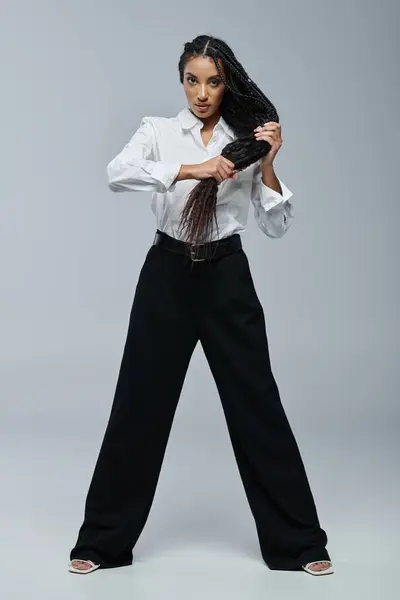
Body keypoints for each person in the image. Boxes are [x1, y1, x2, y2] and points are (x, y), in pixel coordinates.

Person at [68, 34, 334, 577]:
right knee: (138, 405)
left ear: (227, 82)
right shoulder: (159, 132)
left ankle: (299, 543)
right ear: (182, 80)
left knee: (257, 404)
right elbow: (117, 174)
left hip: (225, 277)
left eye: (213, 81)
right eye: (193, 80)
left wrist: (269, 163)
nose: (203, 92)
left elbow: (277, 225)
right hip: (166, 275)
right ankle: (103, 542)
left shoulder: (248, 140)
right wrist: (194, 169)